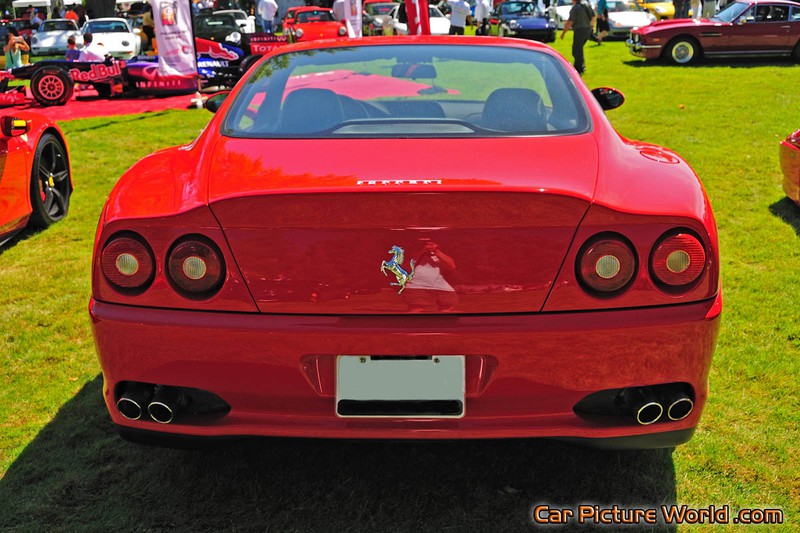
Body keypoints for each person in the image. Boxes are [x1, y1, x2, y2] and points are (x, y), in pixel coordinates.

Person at [560, 0, 595, 75]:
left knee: (576, 50)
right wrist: (592, 26)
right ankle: (581, 66)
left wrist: (563, 33)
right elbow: (593, 16)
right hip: (587, 30)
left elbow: (570, 22)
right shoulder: (587, 5)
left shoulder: (575, 8)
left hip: (580, 30)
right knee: (579, 49)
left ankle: (579, 68)